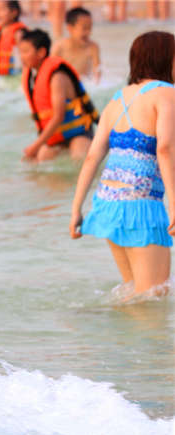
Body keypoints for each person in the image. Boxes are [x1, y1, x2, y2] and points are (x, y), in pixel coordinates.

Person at [70, 31, 175, 298]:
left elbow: (93, 156)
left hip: (107, 204)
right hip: (141, 206)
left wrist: (76, 209)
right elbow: (164, 149)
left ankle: (118, 340)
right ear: (166, 59)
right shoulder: (167, 94)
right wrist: (174, 207)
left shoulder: (118, 98)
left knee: (133, 294)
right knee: (153, 296)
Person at [19, 28, 98, 162]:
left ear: (41, 52)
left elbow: (58, 116)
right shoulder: (33, 76)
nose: (22, 56)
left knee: (79, 160)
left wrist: (36, 145)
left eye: (26, 51)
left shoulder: (57, 77)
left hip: (79, 133)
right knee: (37, 161)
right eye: (20, 52)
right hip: (57, 136)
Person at [53, 7, 101, 83]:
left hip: (84, 84)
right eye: (84, 28)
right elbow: (51, 69)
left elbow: (97, 70)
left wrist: (97, 82)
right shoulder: (60, 46)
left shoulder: (93, 47)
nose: (88, 32)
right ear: (70, 28)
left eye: (90, 28)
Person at [0, 1, 26, 76]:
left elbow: (25, 60)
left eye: (1, 9)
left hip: (15, 75)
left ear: (14, 12)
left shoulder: (19, 33)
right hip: (2, 74)